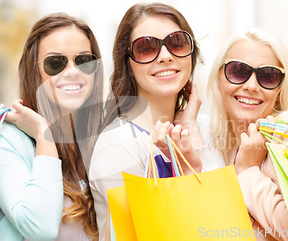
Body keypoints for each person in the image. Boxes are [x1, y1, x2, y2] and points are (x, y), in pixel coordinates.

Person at [88, 3, 224, 239]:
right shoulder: (117, 145)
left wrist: (192, 131)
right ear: (127, 65)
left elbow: (228, 216)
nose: (165, 56)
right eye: (146, 48)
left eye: (177, 43)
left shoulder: (204, 127)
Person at [0, 13, 103, 241]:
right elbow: (40, 229)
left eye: (84, 61)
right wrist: (45, 135)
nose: (72, 71)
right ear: (34, 71)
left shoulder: (99, 142)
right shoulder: (7, 142)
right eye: (55, 63)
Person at [206, 28, 288, 241]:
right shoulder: (227, 146)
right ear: (220, 81)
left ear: (279, 92)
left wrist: (248, 170)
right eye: (238, 71)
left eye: (268, 76)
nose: (250, 86)